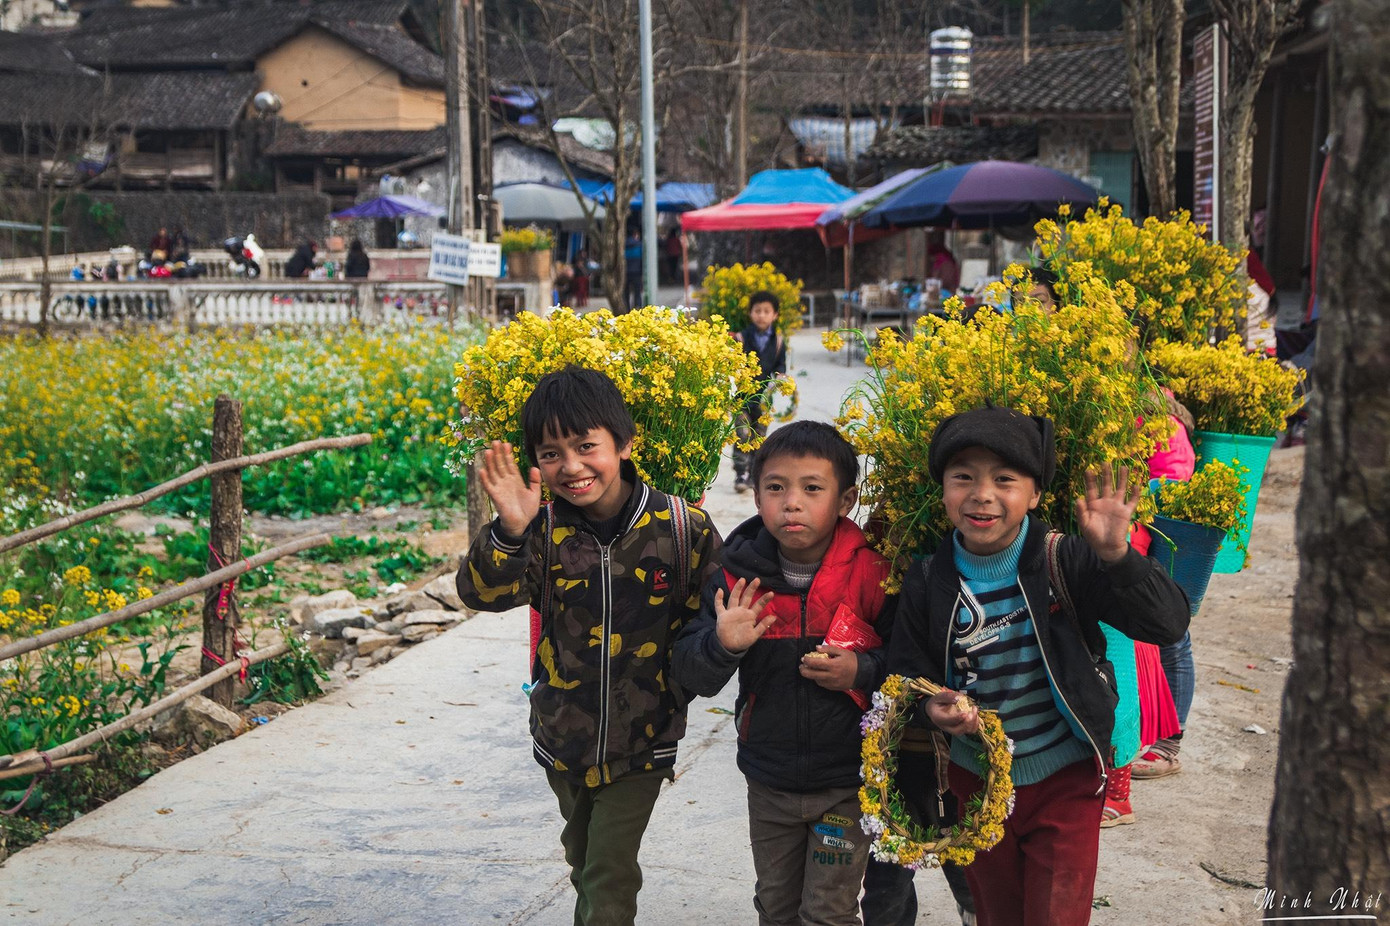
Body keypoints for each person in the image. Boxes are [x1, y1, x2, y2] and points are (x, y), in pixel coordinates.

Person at [889, 405, 1190, 926]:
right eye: (963, 477)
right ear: (943, 490)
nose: (982, 493)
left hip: (1065, 782)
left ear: (1034, 494)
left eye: (1004, 479)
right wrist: (934, 709)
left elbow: (1167, 625)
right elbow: (907, 675)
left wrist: (1118, 555)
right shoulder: (927, 579)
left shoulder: (1065, 560)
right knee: (997, 914)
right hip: (978, 784)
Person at [455, 366, 721, 926]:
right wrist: (508, 531)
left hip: (644, 741)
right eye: (551, 453)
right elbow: (481, 593)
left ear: (624, 444)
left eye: (585, 446)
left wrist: (714, 657)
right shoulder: (543, 531)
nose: (571, 467)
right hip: (562, 737)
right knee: (583, 863)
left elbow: (709, 623)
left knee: (608, 878)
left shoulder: (681, 527)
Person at [672, 420, 895, 926]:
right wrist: (723, 644)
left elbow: (910, 663)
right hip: (768, 780)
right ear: (756, 496)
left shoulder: (873, 574)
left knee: (828, 910)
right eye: (776, 488)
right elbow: (691, 671)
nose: (791, 503)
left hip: (848, 781)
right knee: (775, 907)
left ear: (845, 500)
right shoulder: (734, 578)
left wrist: (863, 668)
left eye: (812, 488)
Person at [731, 290, 787, 494]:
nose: (761, 315)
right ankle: (740, 473)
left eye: (766, 311)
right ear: (750, 313)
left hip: (764, 400)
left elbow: (781, 365)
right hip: (741, 399)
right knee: (742, 435)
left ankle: (755, 474)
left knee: (759, 438)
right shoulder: (740, 338)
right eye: (757, 311)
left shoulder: (779, 341)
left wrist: (781, 376)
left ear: (775, 315)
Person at [623, 227, 643, 313]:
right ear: (635, 234)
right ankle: (637, 310)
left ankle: (626, 310)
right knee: (637, 293)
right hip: (637, 272)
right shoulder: (639, 245)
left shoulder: (622, 245)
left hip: (625, 273)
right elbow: (642, 260)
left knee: (626, 293)